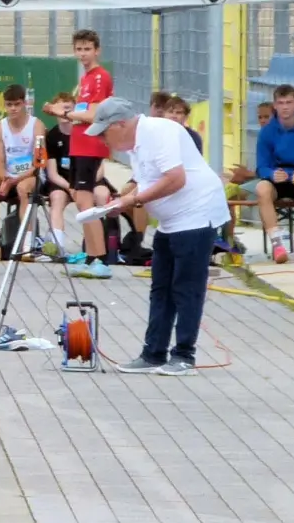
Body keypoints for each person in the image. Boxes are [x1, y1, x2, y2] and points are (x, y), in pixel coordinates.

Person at [86, 98, 229, 376]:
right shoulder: (136, 144)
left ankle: (184, 356)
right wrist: (120, 201)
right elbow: (146, 180)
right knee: (160, 287)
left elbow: (176, 179)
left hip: (197, 216)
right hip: (170, 221)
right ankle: (153, 353)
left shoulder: (159, 132)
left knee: (186, 287)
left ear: (121, 124)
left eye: (105, 132)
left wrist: (133, 201)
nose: (103, 140)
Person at [43, 29, 113, 276]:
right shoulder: (84, 79)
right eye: (79, 49)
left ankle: (101, 260)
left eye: (87, 49)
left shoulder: (99, 77)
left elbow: (94, 114)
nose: (83, 54)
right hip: (79, 145)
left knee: (86, 201)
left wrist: (60, 113)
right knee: (83, 202)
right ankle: (92, 256)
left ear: (97, 50)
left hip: (90, 145)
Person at [254, 83, 294, 263]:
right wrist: (272, 175)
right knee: (262, 188)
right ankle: (278, 245)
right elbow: (261, 167)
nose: (285, 107)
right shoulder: (267, 132)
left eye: (289, 102)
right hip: (275, 182)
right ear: (275, 106)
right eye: (281, 103)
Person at [0, 83, 46, 255]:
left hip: (31, 174)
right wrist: (4, 178)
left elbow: (39, 161)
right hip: (8, 174)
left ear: (24, 104)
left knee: (23, 190)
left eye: (17, 104)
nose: (13, 109)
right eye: (9, 105)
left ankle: (27, 244)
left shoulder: (37, 125)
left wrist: (16, 179)